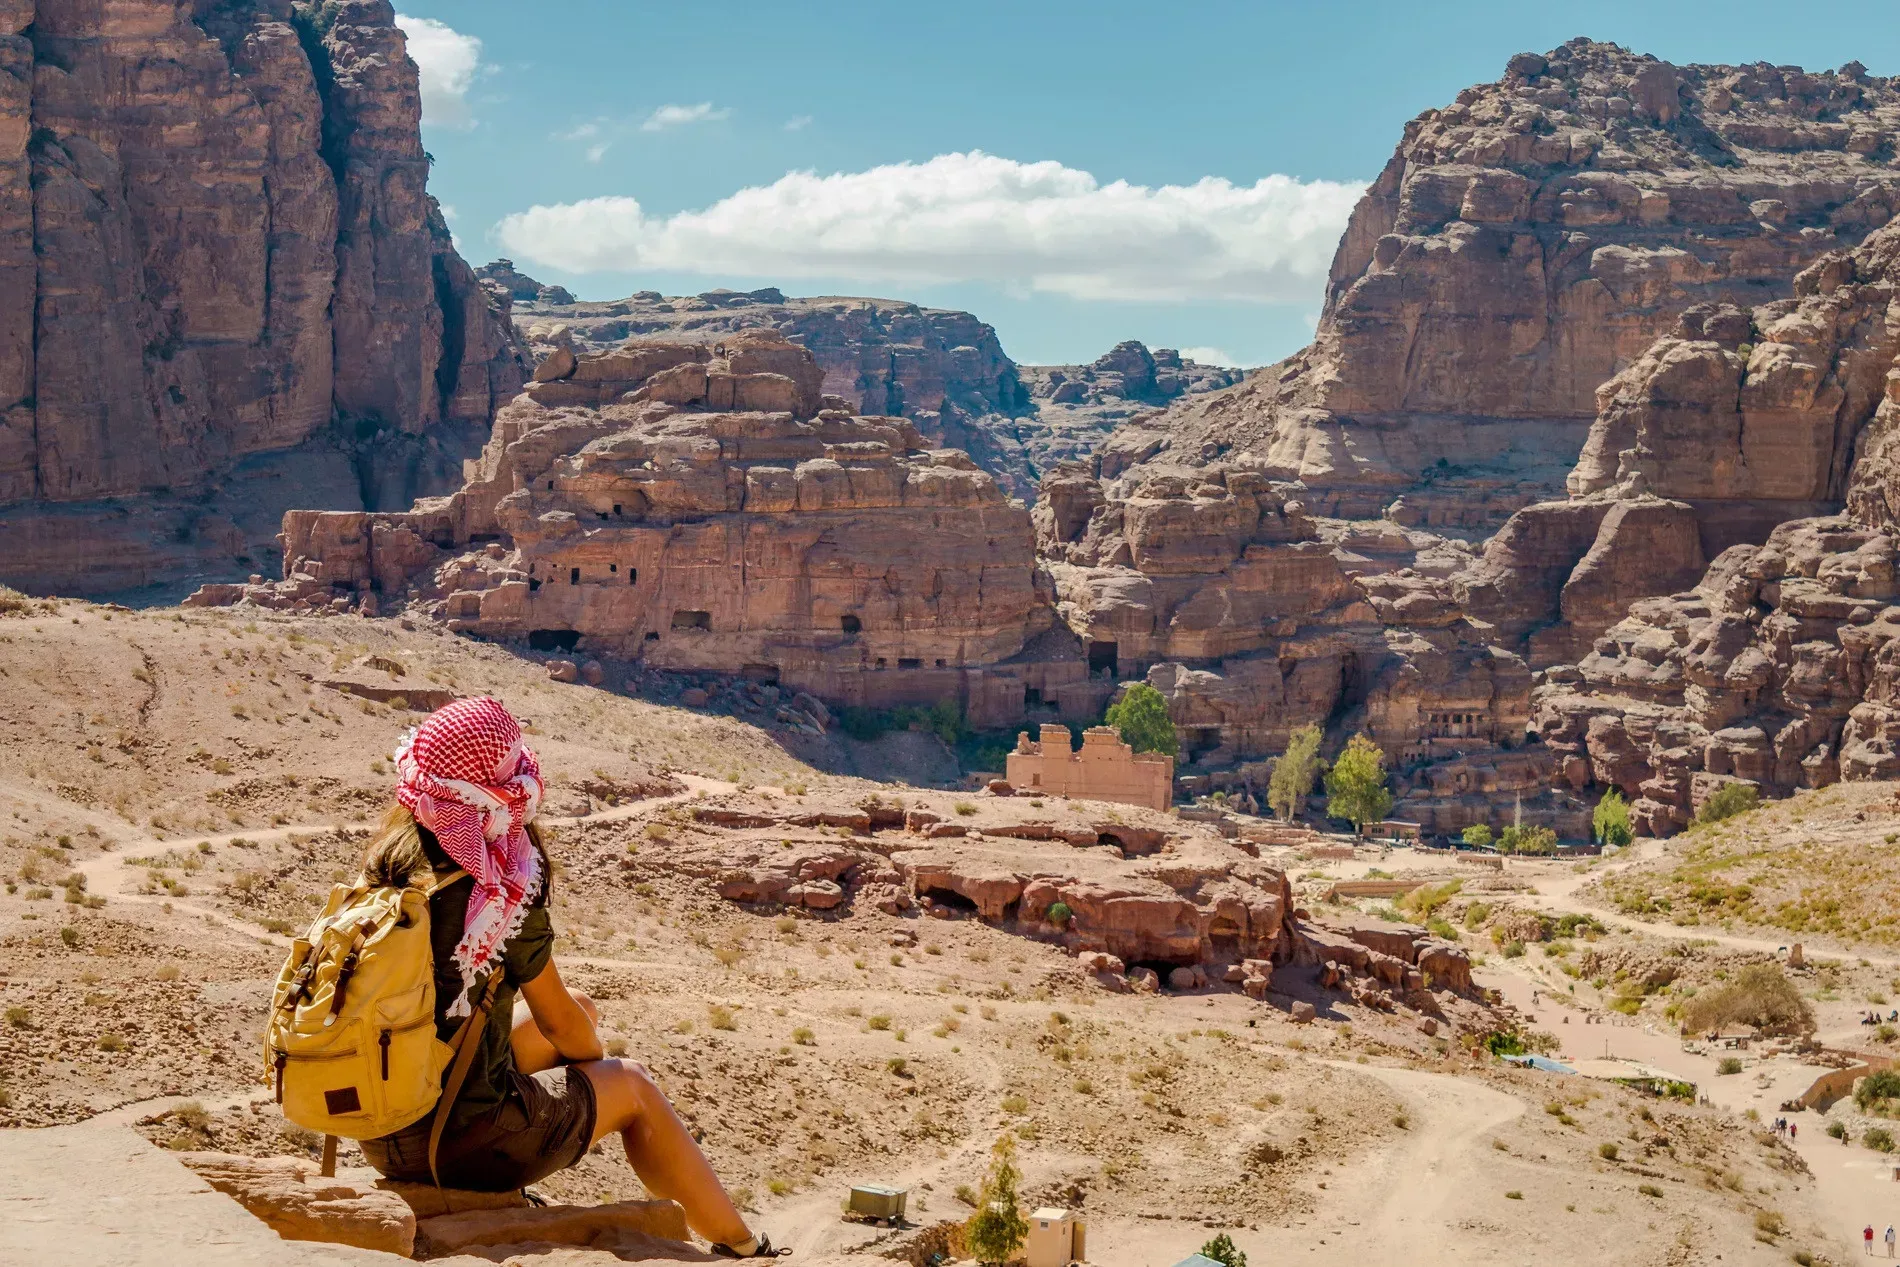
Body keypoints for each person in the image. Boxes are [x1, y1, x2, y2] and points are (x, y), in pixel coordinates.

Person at [355, 698, 785, 1259]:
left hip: (381, 1128)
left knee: (582, 1005)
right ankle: (740, 1246)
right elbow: (563, 1027)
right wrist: (594, 1068)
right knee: (630, 1084)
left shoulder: (385, 874)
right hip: (457, 1145)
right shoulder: (497, 893)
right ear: (491, 791)